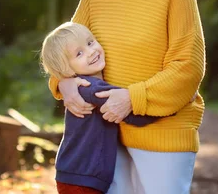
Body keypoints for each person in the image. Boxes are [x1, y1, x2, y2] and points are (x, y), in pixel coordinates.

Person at [48, 0, 206, 194]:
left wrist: (131, 98)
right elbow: (65, 48)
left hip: (164, 137)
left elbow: (188, 68)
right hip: (104, 137)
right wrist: (62, 83)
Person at [40, 22, 160, 194]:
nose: (91, 52)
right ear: (66, 69)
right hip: (82, 177)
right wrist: (170, 103)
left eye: (90, 42)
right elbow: (135, 115)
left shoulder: (84, 86)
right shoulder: (91, 88)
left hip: (74, 173)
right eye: (79, 53)